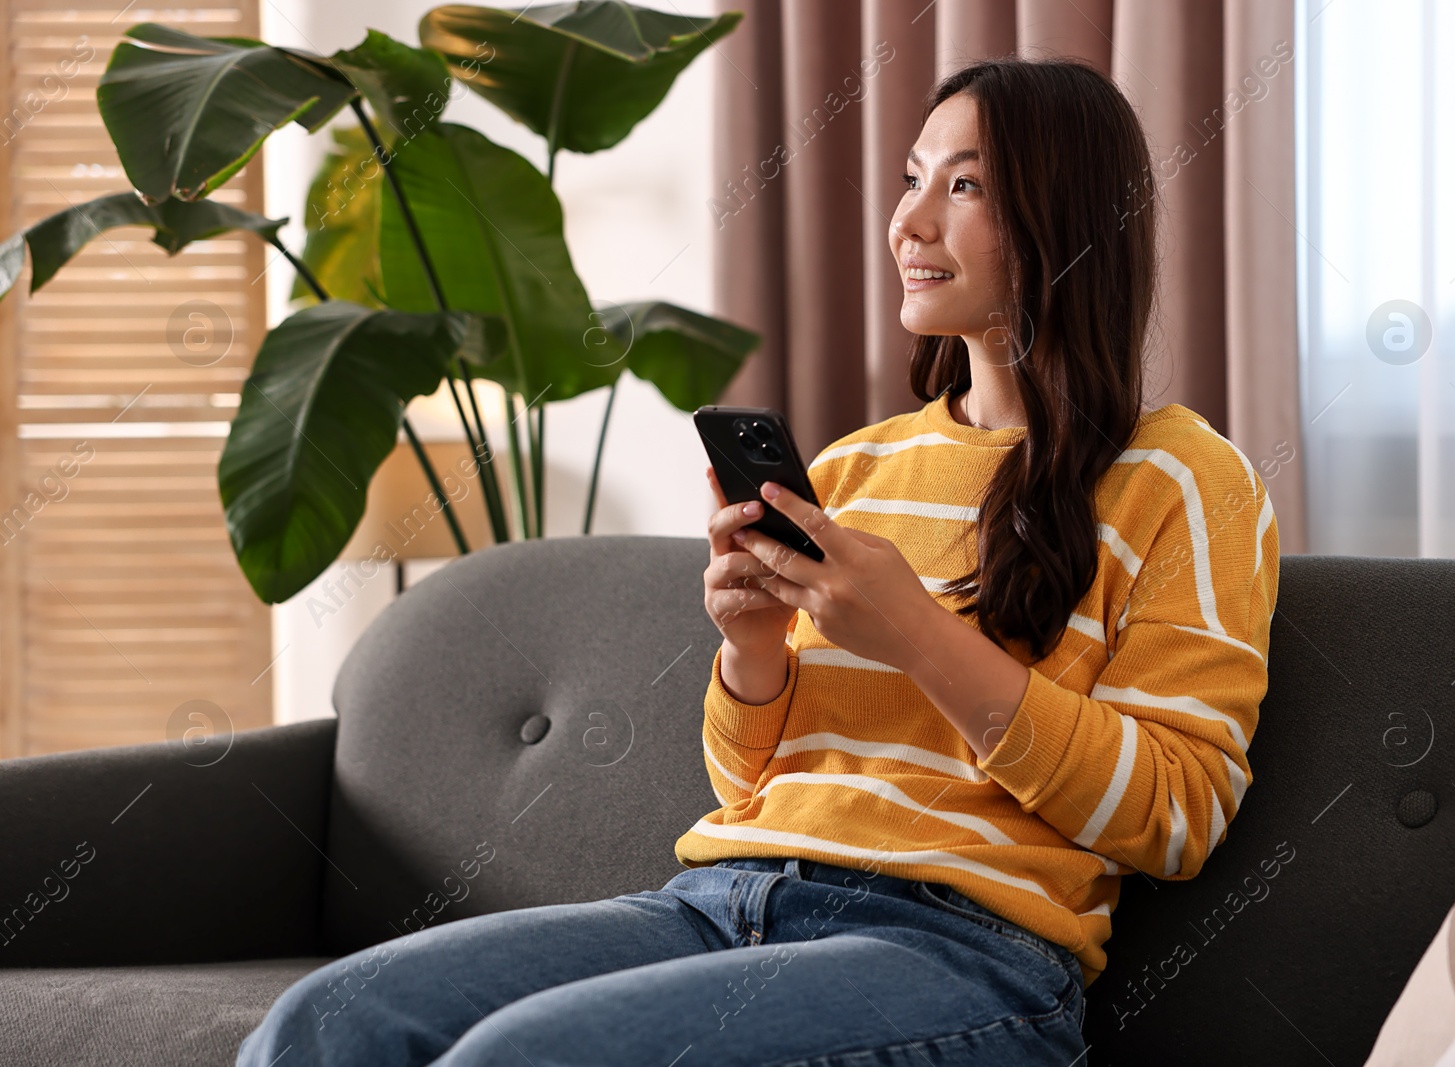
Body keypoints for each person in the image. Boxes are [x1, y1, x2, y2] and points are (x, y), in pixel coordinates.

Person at [238, 55, 1278, 1067]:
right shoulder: (856, 466)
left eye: (963, 187)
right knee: (329, 1017)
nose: (908, 222)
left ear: (1071, 225)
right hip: (719, 898)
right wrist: (754, 650)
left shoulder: (1183, 479)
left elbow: (1174, 816)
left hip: (962, 949)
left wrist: (914, 632)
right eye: (911, 177)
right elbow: (749, 786)